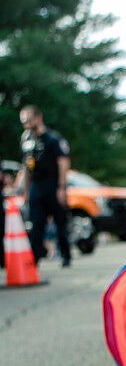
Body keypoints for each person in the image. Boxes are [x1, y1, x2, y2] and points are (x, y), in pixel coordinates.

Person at [14, 105, 72, 266]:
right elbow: (25, 166)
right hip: (36, 185)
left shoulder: (53, 139)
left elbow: (63, 162)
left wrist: (61, 187)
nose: (25, 123)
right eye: (23, 121)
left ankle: (66, 256)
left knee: (60, 222)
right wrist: (25, 190)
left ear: (38, 117)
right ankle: (35, 259)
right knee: (36, 222)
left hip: (53, 183)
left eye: (28, 119)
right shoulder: (26, 140)